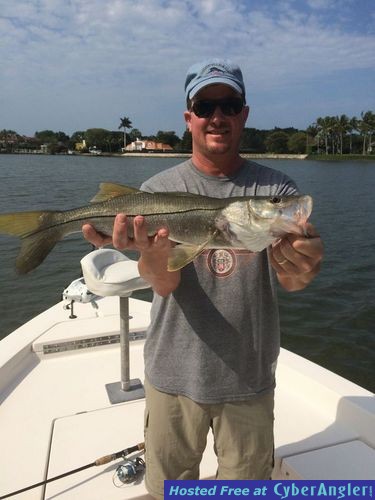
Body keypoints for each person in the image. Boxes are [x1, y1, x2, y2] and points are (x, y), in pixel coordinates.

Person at [83, 59, 323, 498]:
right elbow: (164, 284)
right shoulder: (155, 190)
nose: (218, 116)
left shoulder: (276, 190)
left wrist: (304, 265)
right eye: (205, 105)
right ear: (188, 116)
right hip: (171, 376)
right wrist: (150, 258)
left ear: (244, 115)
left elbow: (292, 282)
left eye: (229, 105)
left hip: (249, 378)